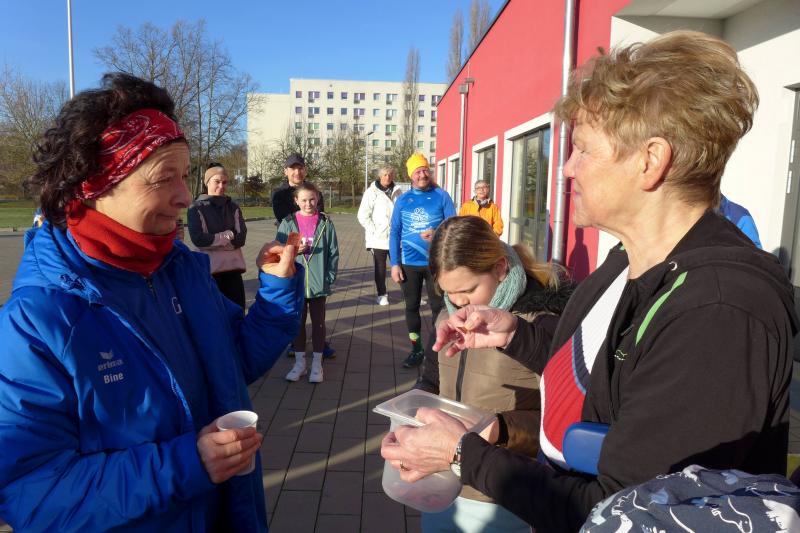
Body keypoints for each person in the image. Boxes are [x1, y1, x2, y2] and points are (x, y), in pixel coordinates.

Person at [381, 31, 798, 533]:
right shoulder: (626, 262)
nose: (566, 168)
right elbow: (595, 373)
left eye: (582, 149)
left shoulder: (719, 313)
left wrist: (462, 455)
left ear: (650, 161)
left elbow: (623, 514)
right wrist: (514, 334)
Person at [0, 73, 305, 532]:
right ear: (95, 185)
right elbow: (30, 490)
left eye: (184, 175)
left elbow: (235, 360)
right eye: (164, 178)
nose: (184, 197)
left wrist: (277, 291)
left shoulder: (181, 270)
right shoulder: (39, 320)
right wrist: (186, 464)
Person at [415, 215, 572, 532]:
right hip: (442, 483)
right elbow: (431, 381)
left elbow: (568, 419)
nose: (457, 301)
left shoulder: (542, 323)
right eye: (447, 291)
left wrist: (500, 428)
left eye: (468, 289)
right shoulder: (447, 315)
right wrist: (413, 420)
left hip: (507, 495)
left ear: (500, 269)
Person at [390, 153, 456, 368]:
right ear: (411, 175)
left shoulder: (441, 196)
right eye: (417, 171)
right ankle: (416, 350)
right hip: (409, 264)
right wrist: (394, 264)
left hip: (436, 263)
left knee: (438, 307)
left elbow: (453, 228)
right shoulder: (403, 200)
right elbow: (394, 232)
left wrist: (437, 233)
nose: (422, 175)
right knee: (411, 306)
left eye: (425, 170)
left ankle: (436, 350)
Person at [272, 152, 335, 359]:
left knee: (317, 314)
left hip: (313, 254)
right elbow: (285, 221)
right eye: (293, 168)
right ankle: (296, 344)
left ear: (305, 170)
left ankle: (319, 344)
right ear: (286, 171)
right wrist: (294, 245)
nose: (297, 172)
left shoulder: (314, 191)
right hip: (293, 248)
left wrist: (329, 274)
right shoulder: (280, 195)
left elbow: (318, 218)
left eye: (300, 168)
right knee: (297, 310)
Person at [277, 182, 339, 383]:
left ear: (318, 198)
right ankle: (300, 364)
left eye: (312, 199)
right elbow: (278, 251)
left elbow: (333, 252)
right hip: (296, 282)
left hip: (319, 283)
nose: (308, 204)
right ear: (296, 201)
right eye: (303, 200)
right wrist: (294, 251)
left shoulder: (325, 223)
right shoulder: (288, 223)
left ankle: (317, 365)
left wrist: (329, 277)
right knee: (298, 324)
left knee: (319, 323)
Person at [187, 162, 248, 309]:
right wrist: (228, 235)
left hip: (233, 272)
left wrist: (214, 242)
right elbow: (199, 239)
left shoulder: (233, 207)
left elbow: (241, 239)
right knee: (215, 314)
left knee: (237, 314)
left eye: (224, 182)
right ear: (207, 182)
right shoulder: (195, 208)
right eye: (217, 181)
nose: (221, 186)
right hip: (210, 272)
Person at [357, 164, 402, 306]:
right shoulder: (371, 192)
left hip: (396, 237)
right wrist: (374, 230)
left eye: (390, 174)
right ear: (379, 176)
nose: (387, 177)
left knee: (401, 266)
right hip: (378, 238)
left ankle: (410, 293)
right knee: (380, 268)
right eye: (385, 175)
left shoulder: (398, 191)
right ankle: (382, 295)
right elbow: (362, 215)